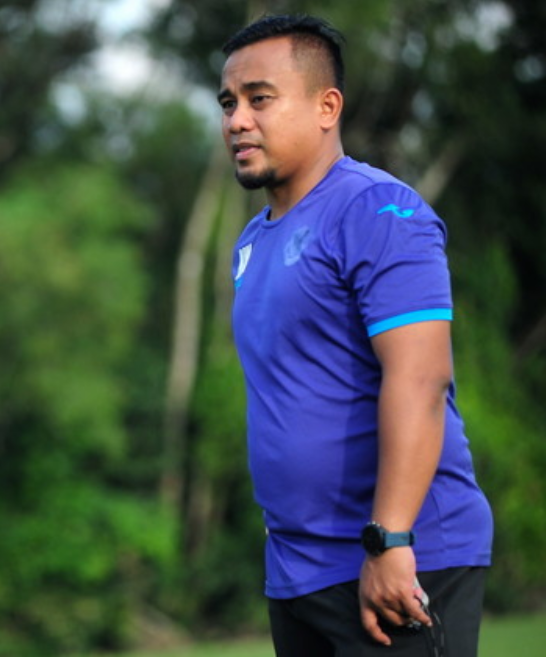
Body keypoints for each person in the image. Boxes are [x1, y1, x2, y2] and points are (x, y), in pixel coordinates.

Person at [218, 14, 493, 656]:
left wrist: (390, 540)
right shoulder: (251, 243)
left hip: (401, 558)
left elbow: (421, 380)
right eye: (228, 103)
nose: (236, 120)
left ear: (327, 106)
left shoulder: (378, 210)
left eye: (260, 98)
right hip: (298, 573)